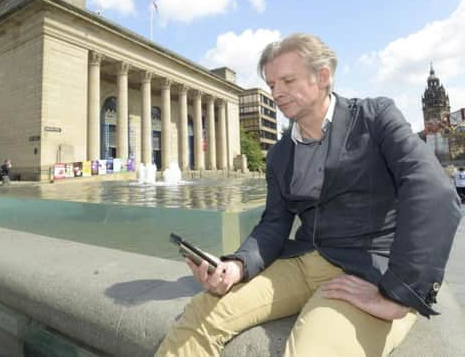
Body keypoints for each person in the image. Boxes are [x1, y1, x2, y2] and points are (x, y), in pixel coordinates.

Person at [156, 33, 462, 357]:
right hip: (300, 262)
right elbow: (274, 223)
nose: (277, 92)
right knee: (199, 317)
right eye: (272, 84)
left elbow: (434, 192)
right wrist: (237, 266)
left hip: (367, 269)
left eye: (288, 80)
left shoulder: (376, 117)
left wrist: (398, 292)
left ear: (323, 77)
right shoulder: (279, 154)